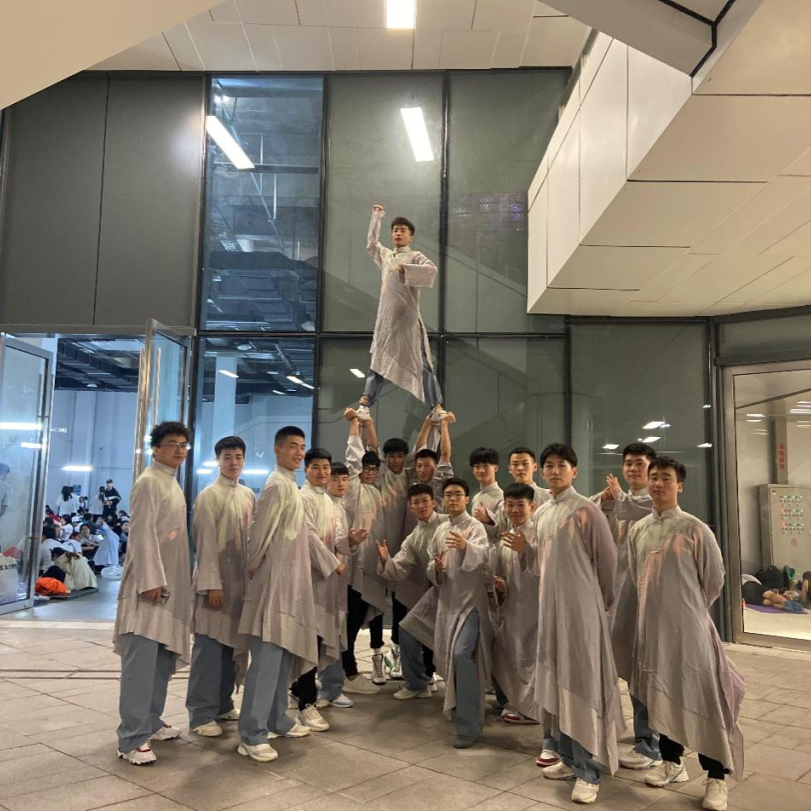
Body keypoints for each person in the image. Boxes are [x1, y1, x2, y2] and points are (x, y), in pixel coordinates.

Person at [621, 457, 744, 811]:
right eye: (654, 477)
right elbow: (636, 576)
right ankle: (671, 761)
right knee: (662, 694)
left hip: (690, 630)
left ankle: (716, 776)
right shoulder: (638, 529)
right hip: (652, 629)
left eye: (666, 478)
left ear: (680, 485)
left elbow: (714, 580)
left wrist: (687, 610)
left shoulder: (695, 528)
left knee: (703, 699)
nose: (658, 483)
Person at [522, 443, 622, 806]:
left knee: (581, 686)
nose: (554, 471)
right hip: (550, 610)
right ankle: (567, 756)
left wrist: (602, 605)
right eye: (548, 465)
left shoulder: (586, 510)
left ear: (574, 471)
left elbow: (608, 563)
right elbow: (539, 564)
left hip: (581, 611)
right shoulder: (542, 512)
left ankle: (589, 771)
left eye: (561, 465)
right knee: (557, 683)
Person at [237, 426, 340, 763]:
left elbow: (306, 533)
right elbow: (258, 534)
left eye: (302, 447)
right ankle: (251, 734)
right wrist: (254, 570)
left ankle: (277, 719)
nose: (298, 452)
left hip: (292, 586)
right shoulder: (276, 485)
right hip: (274, 586)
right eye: (292, 446)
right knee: (266, 662)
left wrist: (331, 562)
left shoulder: (290, 486)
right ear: (277, 449)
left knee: (281, 660)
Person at [113, 421, 193, 766]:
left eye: (184, 445)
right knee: (140, 666)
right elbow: (142, 534)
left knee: (159, 662)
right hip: (148, 590)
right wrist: (150, 580)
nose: (180, 450)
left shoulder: (170, 482)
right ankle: (131, 738)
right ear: (156, 448)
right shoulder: (148, 482)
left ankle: (150, 721)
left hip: (169, 588)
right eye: (173, 443)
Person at [401, 478, 491, 748]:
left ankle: (469, 725)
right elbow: (432, 565)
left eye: (458, 494)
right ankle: (460, 709)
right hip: (448, 604)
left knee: (462, 655)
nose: (453, 499)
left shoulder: (475, 527)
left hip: (470, 604)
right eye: (449, 495)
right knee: (452, 659)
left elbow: (484, 557)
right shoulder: (441, 530)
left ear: (467, 498)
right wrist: (437, 570)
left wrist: (466, 548)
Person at [592, 442, 661, 772]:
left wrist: (617, 499)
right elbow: (601, 529)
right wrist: (607, 503)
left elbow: (631, 510)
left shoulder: (652, 502)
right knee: (629, 669)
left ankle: (652, 744)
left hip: (645, 598)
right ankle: (642, 734)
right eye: (628, 463)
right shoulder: (624, 501)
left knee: (645, 670)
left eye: (639, 463)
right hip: (619, 595)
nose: (633, 469)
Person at [186, 436, 255, 738]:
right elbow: (205, 543)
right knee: (209, 649)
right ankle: (200, 714)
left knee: (231, 647)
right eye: (227, 457)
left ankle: (224, 703)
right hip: (214, 587)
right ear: (218, 460)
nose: (233, 462)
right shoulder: (208, 496)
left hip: (239, 587)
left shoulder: (248, 495)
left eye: (238, 457)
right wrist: (212, 585)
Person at [357, 205, 446, 422]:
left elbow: (432, 270)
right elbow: (371, 245)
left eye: (403, 230)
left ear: (410, 236)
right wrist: (376, 217)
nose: (398, 233)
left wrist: (406, 269)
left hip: (408, 320)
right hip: (387, 320)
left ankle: (436, 406)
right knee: (379, 361)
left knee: (421, 363)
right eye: (395, 230)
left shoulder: (415, 256)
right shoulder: (386, 256)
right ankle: (365, 403)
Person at [290, 447, 348, 731]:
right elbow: (309, 537)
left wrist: (348, 544)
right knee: (308, 642)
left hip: (326, 581)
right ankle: (306, 704)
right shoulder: (302, 498)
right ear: (306, 470)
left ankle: (298, 690)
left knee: (318, 638)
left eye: (326, 467)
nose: (323, 472)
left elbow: (336, 535)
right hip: (309, 580)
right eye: (316, 467)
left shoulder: (326, 499)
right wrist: (332, 562)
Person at [376, 483, 446, 699]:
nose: (422, 506)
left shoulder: (448, 523)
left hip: (460, 594)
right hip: (435, 594)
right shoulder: (415, 536)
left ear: (434, 502)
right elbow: (399, 566)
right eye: (417, 502)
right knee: (407, 630)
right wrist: (385, 559)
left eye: (425, 501)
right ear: (410, 507)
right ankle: (418, 683)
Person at [341, 409, 386, 690]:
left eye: (373, 469)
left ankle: (346, 669)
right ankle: (348, 671)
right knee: (350, 620)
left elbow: (373, 450)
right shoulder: (353, 488)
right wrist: (355, 423)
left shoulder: (375, 491)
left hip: (371, 565)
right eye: (365, 469)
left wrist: (368, 424)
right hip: (351, 565)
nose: (368, 472)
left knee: (358, 618)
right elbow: (354, 457)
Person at [363, 417, 410, 678]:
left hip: (403, 550)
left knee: (401, 602)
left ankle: (398, 652)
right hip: (378, 549)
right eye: (391, 456)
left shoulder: (410, 475)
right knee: (377, 605)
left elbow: (425, 449)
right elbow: (372, 447)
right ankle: (376, 656)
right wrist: (369, 423)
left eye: (400, 456)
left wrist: (431, 424)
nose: (395, 460)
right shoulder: (380, 476)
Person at [479, 448, 550, 541]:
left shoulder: (547, 497)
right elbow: (500, 535)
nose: (520, 468)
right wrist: (488, 521)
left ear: (535, 466)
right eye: (515, 464)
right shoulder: (504, 501)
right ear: (510, 469)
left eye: (525, 464)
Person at [469, 447, 503, 527]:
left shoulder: (501, 497)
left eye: (486, 466)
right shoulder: (475, 498)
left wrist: (488, 520)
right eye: (477, 466)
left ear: (495, 468)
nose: (481, 470)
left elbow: (504, 529)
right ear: (473, 470)